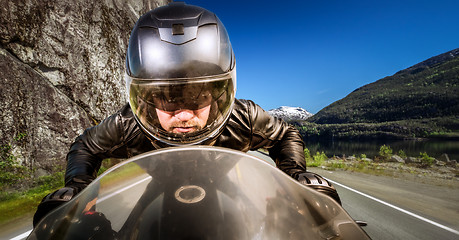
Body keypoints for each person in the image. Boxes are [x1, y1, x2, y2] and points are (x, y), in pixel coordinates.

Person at [33, 2, 340, 227]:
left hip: (224, 181)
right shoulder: (129, 123)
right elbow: (86, 146)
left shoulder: (242, 115)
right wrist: (76, 193)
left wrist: (295, 180)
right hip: (159, 183)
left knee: (274, 222)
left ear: (219, 93)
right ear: (144, 98)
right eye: (165, 99)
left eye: (197, 97)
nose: (182, 113)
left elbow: (285, 134)